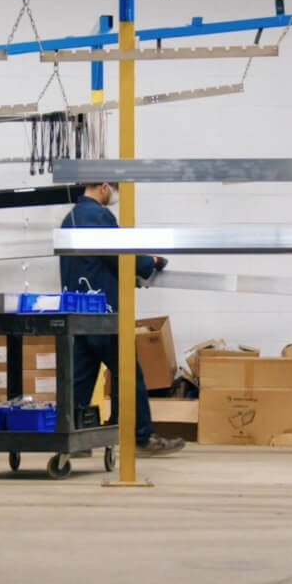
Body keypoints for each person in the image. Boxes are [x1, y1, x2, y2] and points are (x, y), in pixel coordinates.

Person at [58, 182, 186, 456]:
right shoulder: (100, 217)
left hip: (75, 312)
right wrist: (149, 262)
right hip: (104, 313)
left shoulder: (70, 219)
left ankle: (73, 438)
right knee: (129, 374)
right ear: (104, 187)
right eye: (114, 190)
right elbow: (122, 255)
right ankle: (141, 437)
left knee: (80, 378)